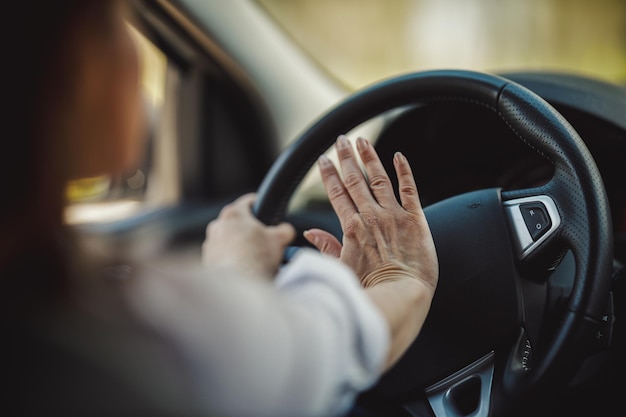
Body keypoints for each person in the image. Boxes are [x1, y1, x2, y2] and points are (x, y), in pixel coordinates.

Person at [3, 1, 438, 416]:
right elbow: (332, 345)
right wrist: (401, 277)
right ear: (77, 67)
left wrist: (236, 277)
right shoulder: (132, 331)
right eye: (119, 20)